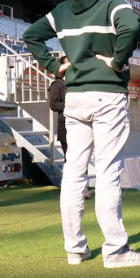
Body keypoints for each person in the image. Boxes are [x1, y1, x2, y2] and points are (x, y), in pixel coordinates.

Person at [24, 0, 140, 268]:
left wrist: (54, 66)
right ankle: (116, 251)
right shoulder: (114, 3)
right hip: (107, 95)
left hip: (76, 96)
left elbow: (32, 35)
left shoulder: (63, 9)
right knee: (108, 171)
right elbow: (133, 26)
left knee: (74, 171)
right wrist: (118, 61)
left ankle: (76, 249)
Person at [48, 55, 91, 200]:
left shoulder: (79, 83)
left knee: (83, 156)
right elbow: (54, 105)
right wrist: (73, 106)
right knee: (71, 158)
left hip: (82, 124)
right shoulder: (57, 84)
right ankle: (73, 188)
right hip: (66, 125)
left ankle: (81, 187)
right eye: (68, 65)